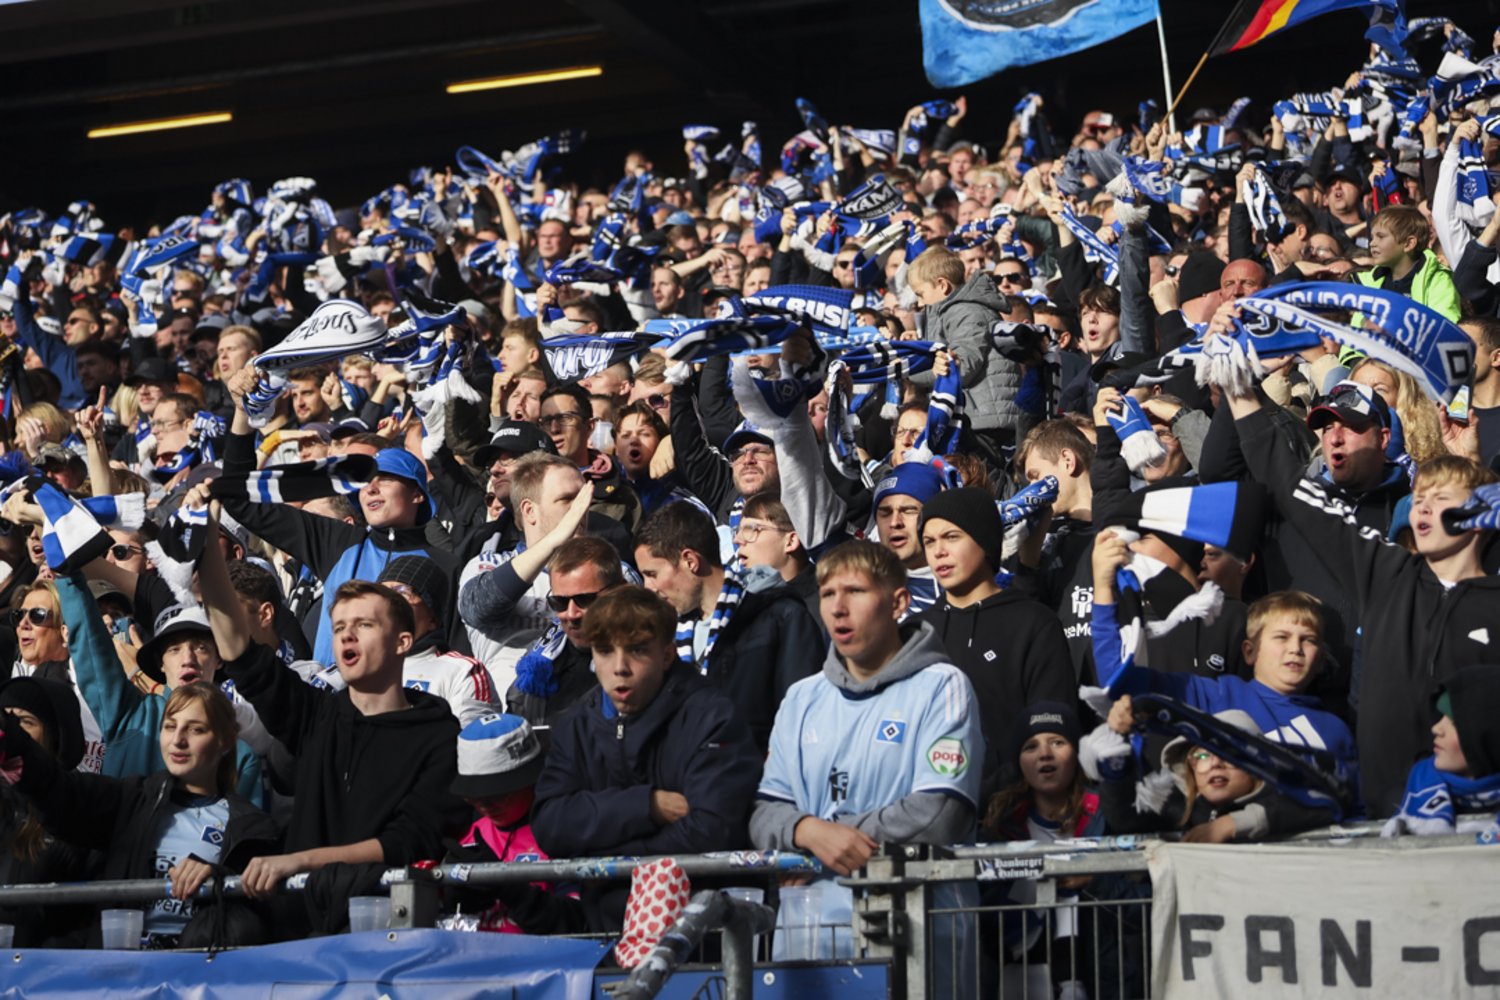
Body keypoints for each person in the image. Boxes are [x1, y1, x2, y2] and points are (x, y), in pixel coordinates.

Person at [1225, 383, 1500, 816]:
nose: (1422, 509)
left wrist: (1472, 463)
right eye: (1419, 499)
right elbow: (1291, 488)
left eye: (1440, 499)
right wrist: (1239, 391)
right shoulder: (1386, 575)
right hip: (1386, 816)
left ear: (1483, 516)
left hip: (1482, 826)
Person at [200, 489, 466, 930]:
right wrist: (207, 545)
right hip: (301, 931)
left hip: (386, 929)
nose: (346, 637)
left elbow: (409, 841)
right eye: (339, 626)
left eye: (363, 625)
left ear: (403, 642)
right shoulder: (316, 713)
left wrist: (301, 861)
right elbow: (241, 652)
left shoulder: (438, 732)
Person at [750, 540, 982, 991]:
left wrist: (831, 839)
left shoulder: (942, 686)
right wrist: (810, 833)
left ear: (898, 601)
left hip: (918, 938)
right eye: (827, 593)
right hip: (810, 937)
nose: (837, 608)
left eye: (854, 591)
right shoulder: (802, 697)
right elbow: (764, 812)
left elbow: (939, 812)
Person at [531, 586, 760, 931]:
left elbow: (712, 830)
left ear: (667, 655)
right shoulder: (576, 723)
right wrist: (645, 806)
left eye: (637, 651)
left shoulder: (712, 716)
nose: (620, 668)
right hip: (604, 931)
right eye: (605, 651)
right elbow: (550, 824)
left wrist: (606, 864)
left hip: (700, 932)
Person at [0, 681, 278, 948]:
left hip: (198, 975)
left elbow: (265, 912)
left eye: (195, 730)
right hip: (124, 976)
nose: (178, 740)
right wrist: (13, 741)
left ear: (227, 741)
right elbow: (62, 791)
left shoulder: (250, 826)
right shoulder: (131, 798)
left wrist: (220, 879)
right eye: (170, 727)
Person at [917, 488, 1074, 797]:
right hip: (926, 811)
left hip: (1012, 815)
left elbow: (1053, 731)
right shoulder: (914, 631)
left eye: (951, 537)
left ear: (984, 541)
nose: (938, 552)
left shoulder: (1034, 624)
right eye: (929, 541)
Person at [634, 500, 824, 750]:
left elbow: (803, 719)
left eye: (652, 574)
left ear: (690, 560)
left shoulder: (780, 617)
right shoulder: (664, 635)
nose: (649, 588)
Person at [1091, 700, 1336, 842]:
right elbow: (1122, 815)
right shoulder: (1183, 809)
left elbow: (1328, 803)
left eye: (1230, 753)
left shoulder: (1290, 797)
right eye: (1202, 755)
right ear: (1190, 768)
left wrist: (1229, 825)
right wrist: (1116, 749)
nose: (1215, 764)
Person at [442, 713, 584, 934]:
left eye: (496, 795)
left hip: (543, 963)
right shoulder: (471, 840)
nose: (485, 806)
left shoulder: (562, 830)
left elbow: (577, 921)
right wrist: (454, 898)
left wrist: (508, 887)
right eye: (474, 798)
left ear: (531, 780)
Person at [0, 677, 89, 947]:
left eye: (26, 722)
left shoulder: (80, 813)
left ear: (55, 736)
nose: (11, 735)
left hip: (41, 976)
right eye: (6, 722)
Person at [506, 536, 627, 725]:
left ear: (619, 592)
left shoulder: (646, 663)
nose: (571, 614)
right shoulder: (537, 671)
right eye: (560, 602)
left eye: (585, 600)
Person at [376, 556, 498, 725]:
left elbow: (473, 744)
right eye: (380, 593)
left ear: (432, 619)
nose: (387, 601)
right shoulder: (355, 665)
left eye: (402, 592)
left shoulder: (462, 671)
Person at [1384, 665, 1500, 837]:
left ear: (1489, 736)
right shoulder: (1404, 796)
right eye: (1440, 717)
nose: (1436, 728)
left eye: (1454, 723)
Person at [1356, 205, 1462, 322]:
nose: (1372, 243)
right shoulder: (1369, 282)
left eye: (1380, 237)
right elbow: (1356, 327)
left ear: (1409, 244)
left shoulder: (1437, 281)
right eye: (1372, 237)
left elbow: (1444, 328)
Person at [870, 462, 947, 617]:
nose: (895, 522)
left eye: (908, 511)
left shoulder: (972, 584)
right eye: (885, 513)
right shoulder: (864, 587)